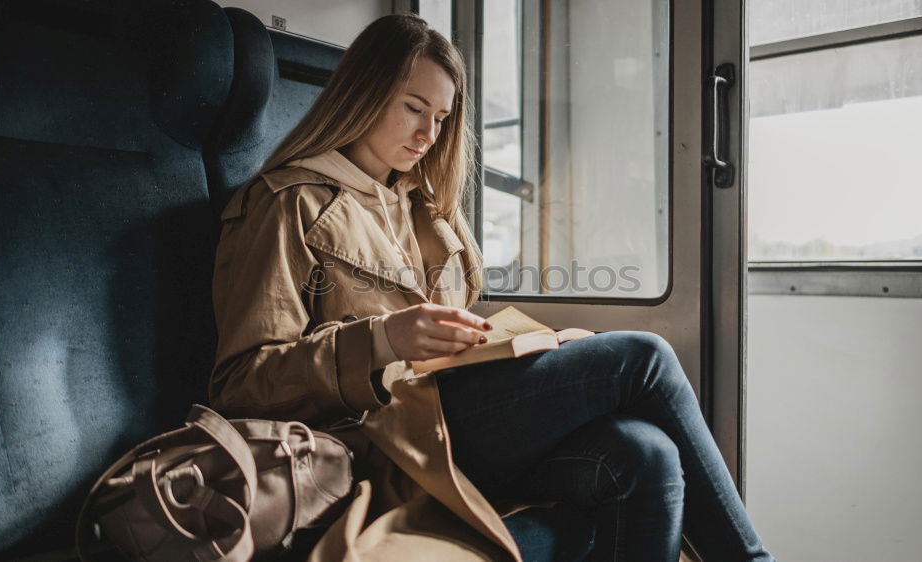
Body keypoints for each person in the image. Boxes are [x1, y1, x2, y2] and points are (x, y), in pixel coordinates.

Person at [209, 13, 777, 562]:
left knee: (644, 452)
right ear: (363, 93)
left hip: (451, 416)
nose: (429, 133)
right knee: (643, 357)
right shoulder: (288, 204)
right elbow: (240, 384)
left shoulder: (426, 212)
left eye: (441, 117)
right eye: (413, 108)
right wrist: (382, 340)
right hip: (380, 439)